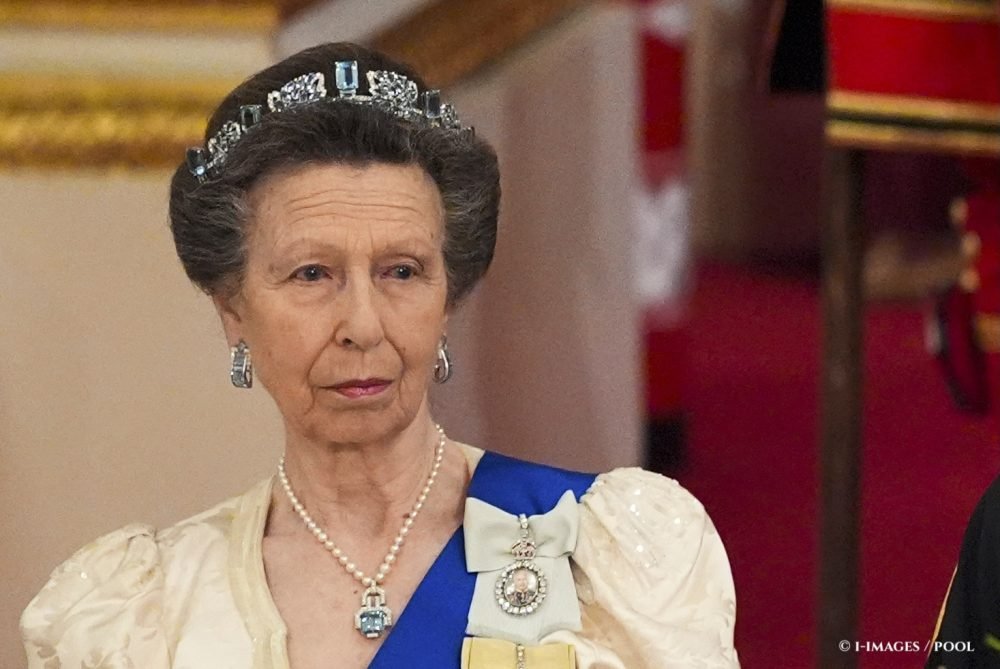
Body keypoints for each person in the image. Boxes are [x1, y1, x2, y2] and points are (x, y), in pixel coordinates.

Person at [20, 42, 739, 669]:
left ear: (447, 297)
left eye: (401, 271)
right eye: (312, 274)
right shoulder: (148, 612)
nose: (363, 325)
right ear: (232, 309)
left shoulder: (603, 555)